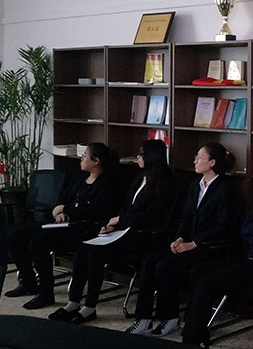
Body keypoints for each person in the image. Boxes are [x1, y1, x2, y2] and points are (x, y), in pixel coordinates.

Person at [48, 139, 178, 324]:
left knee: (96, 253)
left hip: (145, 236)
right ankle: (73, 302)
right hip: (124, 231)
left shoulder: (166, 184)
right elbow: (125, 208)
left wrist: (120, 221)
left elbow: (151, 216)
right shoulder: (140, 178)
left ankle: (89, 307)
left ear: (152, 157)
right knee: (84, 248)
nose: (138, 157)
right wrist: (113, 225)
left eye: (141, 154)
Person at [180, 151, 253, 346]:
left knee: (207, 281)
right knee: (198, 271)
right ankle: (191, 328)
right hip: (252, 255)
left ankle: (192, 339)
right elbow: (246, 228)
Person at [124, 142, 240, 336]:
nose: (195, 161)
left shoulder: (225, 190)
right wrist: (179, 238)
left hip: (210, 247)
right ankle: (143, 319)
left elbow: (222, 227)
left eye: (199, 157)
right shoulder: (195, 185)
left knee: (165, 266)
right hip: (188, 242)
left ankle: (170, 318)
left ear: (212, 162)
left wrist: (193, 244)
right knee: (150, 261)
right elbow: (186, 217)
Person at [5, 142, 120, 309]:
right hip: (62, 222)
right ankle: (28, 281)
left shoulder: (108, 184)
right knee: (15, 237)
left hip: (85, 229)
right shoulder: (80, 177)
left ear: (96, 161)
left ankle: (46, 293)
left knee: (38, 242)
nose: (81, 159)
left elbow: (95, 212)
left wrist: (65, 209)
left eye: (84, 156)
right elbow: (63, 199)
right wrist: (59, 211)